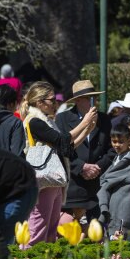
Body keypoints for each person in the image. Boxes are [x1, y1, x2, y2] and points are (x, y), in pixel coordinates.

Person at [22, 81, 96, 245]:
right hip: (43, 180)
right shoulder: (34, 121)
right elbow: (61, 140)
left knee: (51, 229)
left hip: (53, 180)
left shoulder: (48, 121)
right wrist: (84, 123)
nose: (55, 103)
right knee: (38, 228)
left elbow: (65, 147)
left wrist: (87, 130)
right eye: (51, 100)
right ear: (40, 102)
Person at [56, 80, 113, 224]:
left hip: (95, 185)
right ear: (78, 100)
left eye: (95, 98)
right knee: (70, 231)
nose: (94, 102)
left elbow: (111, 151)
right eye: (89, 98)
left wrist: (97, 168)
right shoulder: (62, 119)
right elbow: (60, 150)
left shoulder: (104, 119)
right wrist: (81, 167)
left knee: (94, 233)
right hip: (72, 185)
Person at [97, 121, 130, 241]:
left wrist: (105, 179)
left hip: (124, 211)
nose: (117, 145)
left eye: (121, 142)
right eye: (114, 141)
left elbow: (108, 178)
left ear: (129, 140)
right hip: (115, 207)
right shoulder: (118, 157)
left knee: (120, 246)